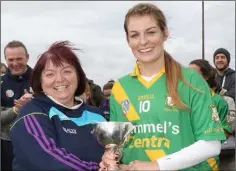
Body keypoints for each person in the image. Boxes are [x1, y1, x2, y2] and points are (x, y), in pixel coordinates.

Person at [100, 3, 226, 171]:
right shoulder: (120, 88)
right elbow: (117, 143)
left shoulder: (191, 80)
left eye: (151, 32)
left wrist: (157, 165)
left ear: (165, 33)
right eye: (135, 35)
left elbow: (211, 144)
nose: (143, 41)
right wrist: (110, 157)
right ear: (128, 40)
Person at [9, 41, 106, 170]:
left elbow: (114, 151)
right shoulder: (32, 112)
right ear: (40, 81)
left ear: (78, 76)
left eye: (67, 71)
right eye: (50, 74)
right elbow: (47, 158)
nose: (59, 79)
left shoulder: (96, 114)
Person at [189, 59, 235, 171]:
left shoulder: (220, 101)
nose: (188, 77)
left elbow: (227, 128)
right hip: (187, 158)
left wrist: (205, 143)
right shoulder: (185, 100)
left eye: (193, 73)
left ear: (205, 76)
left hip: (209, 160)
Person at [1, 40, 33, 171]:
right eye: (11, 59)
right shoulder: (1, 83)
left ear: (27, 57)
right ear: (5, 59)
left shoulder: (42, 78)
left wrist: (35, 103)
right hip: (7, 144)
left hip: (38, 142)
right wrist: (16, 109)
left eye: (19, 59)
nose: (15, 64)